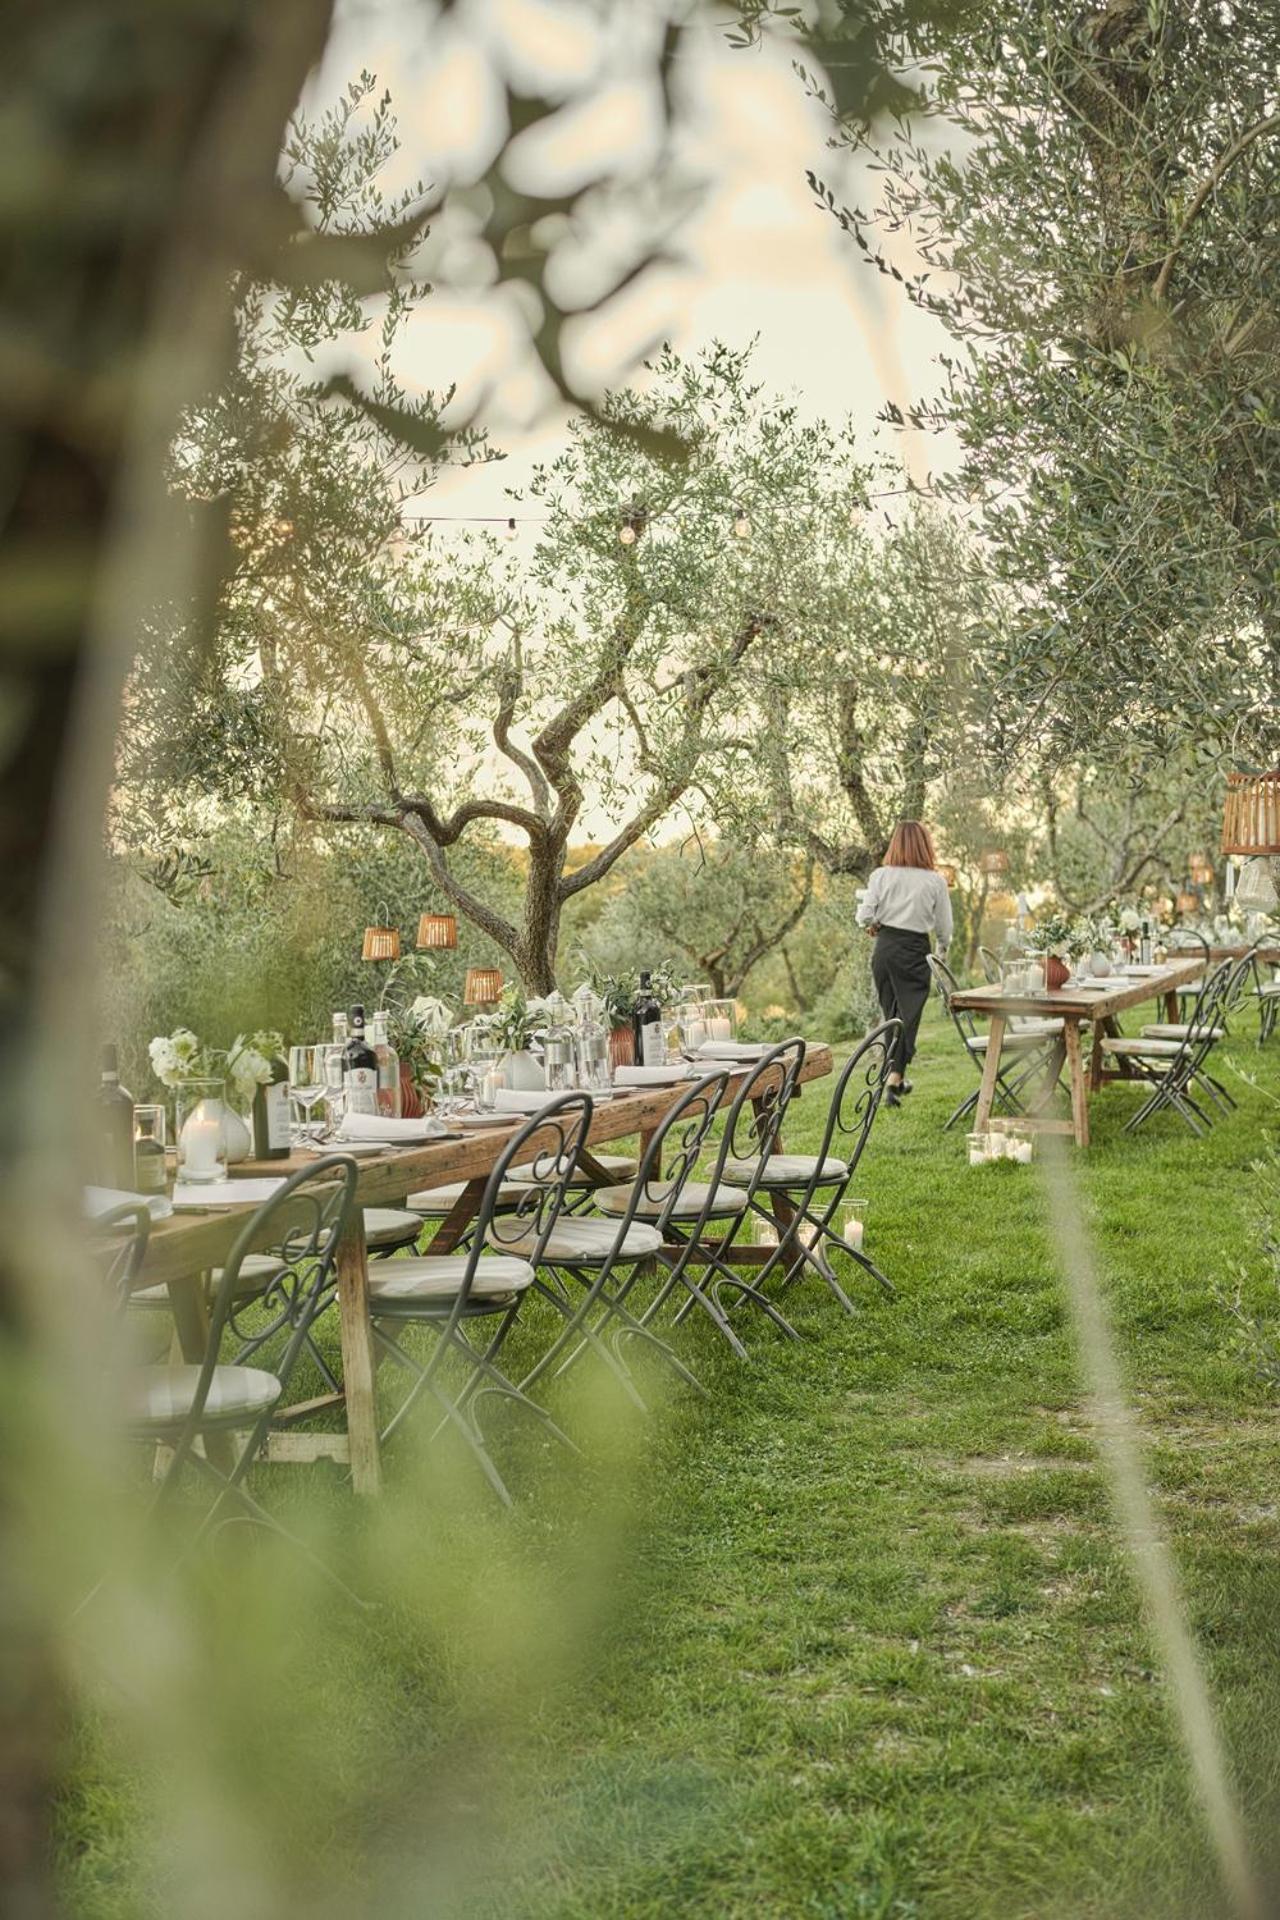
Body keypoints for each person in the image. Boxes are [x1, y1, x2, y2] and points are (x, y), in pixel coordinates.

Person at [855, 820, 953, 1106]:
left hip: (884, 950)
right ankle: (894, 1079)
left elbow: (864, 915)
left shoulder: (880, 876)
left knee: (893, 1016)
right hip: (914, 950)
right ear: (925, 845)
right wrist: (942, 952)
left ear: (895, 844)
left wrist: (873, 925)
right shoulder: (934, 880)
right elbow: (944, 928)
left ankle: (893, 1079)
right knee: (908, 1019)